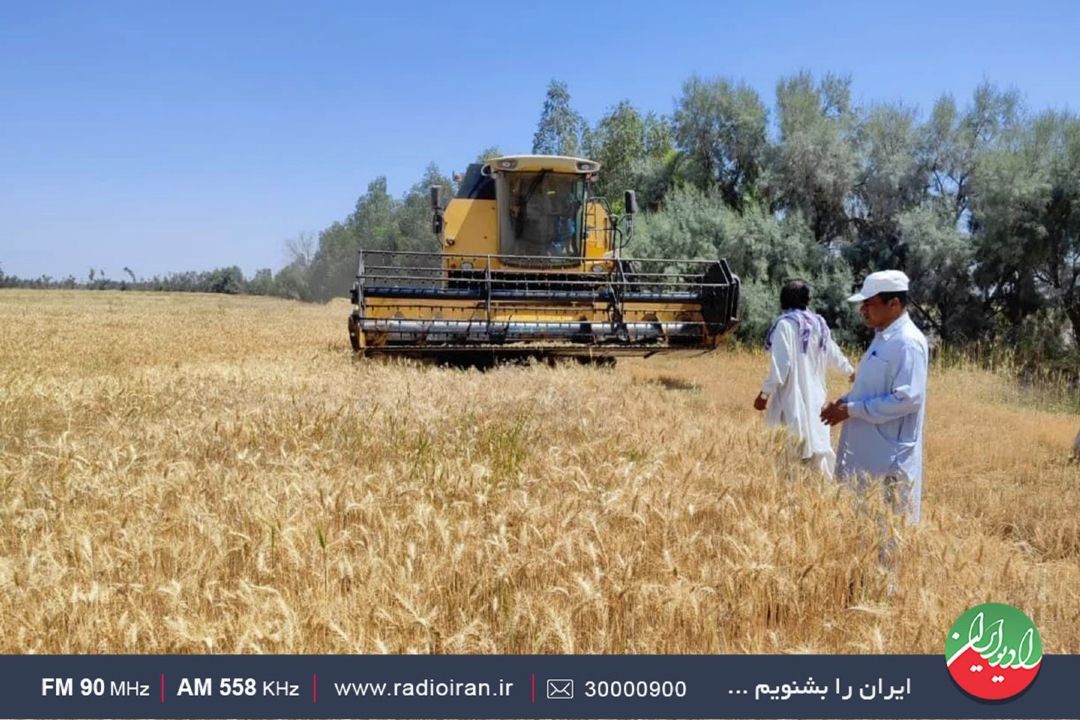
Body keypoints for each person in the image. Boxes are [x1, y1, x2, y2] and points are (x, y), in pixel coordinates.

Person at [820, 270, 929, 525]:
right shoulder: (883, 338)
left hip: (889, 460)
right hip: (870, 455)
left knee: (888, 533)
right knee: (865, 527)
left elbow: (907, 399)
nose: (863, 311)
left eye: (869, 304)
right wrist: (845, 402)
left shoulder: (907, 343)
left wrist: (851, 410)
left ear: (894, 304)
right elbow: (873, 388)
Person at [754, 280, 855, 478]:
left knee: (789, 457)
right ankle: (823, 499)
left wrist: (764, 394)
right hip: (816, 398)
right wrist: (851, 372)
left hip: (793, 398)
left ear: (783, 300)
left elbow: (781, 368)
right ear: (807, 300)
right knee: (817, 455)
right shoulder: (818, 324)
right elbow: (834, 354)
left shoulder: (784, 325)